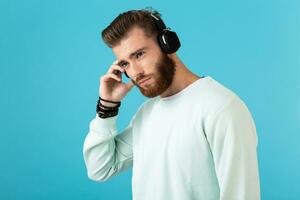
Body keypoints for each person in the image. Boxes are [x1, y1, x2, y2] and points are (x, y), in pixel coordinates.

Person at [83, 8, 261, 200]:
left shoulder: (221, 107)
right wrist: (107, 106)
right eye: (125, 63)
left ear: (167, 43)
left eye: (139, 54)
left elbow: (241, 195)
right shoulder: (147, 113)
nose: (135, 72)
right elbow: (100, 169)